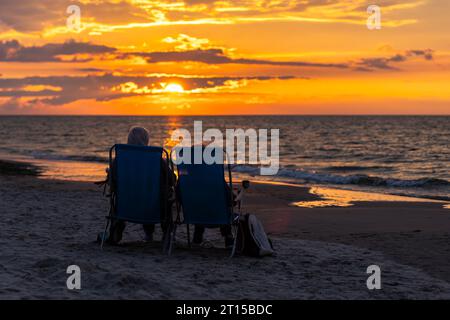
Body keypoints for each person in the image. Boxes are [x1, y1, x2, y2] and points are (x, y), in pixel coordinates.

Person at [106, 126, 175, 244]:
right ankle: (164, 234)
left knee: (126, 194)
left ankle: (117, 227)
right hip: (153, 205)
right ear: (146, 140)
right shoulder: (157, 159)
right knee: (158, 195)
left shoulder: (120, 159)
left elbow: (111, 181)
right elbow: (172, 180)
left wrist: (109, 174)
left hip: (126, 205)